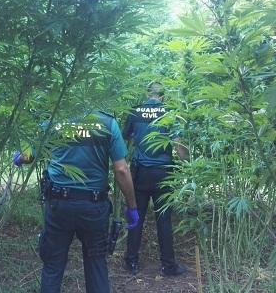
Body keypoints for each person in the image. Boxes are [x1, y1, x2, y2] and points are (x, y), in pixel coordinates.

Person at [14, 111, 139, 293]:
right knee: (96, 264)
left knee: (53, 266)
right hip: (94, 207)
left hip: (59, 205)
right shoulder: (108, 123)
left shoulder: (56, 116)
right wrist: (132, 206)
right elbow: (121, 169)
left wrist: (19, 157)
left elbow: (27, 155)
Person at [122, 81, 189, 276]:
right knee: (164, 219)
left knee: (137, 216)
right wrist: (189, 163)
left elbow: (126, 138)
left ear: (147, 94)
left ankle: (131, 262)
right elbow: (179, 146)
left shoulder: (135, 111)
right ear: (163, 96)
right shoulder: (170, 113)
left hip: (140, 172)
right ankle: (168, 265)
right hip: (164, 173)